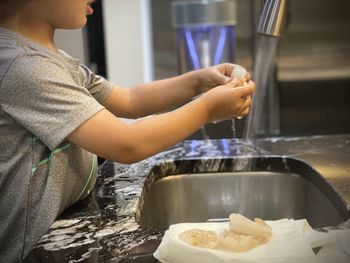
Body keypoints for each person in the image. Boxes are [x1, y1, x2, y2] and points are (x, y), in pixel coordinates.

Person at [0, 0, 256, 261]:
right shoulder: (24, 67)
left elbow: (130, 100)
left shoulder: (52, 59)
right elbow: (127, 144)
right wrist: (206, 109)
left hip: (55, 236)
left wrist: (198, 81)